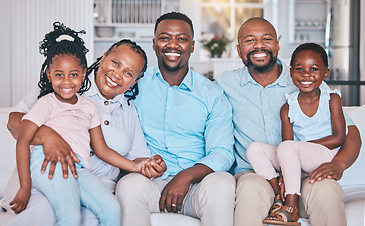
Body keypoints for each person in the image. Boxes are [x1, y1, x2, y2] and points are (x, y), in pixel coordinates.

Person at [1, 24, 166, 225]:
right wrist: (47, 135)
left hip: (96, 184)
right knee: (48, 210)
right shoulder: (67, 80)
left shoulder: (128, 111)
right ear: (103, 56)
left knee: (100, 215)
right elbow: (14, 122)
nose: (117, 74)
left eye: (128, 73)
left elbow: (128, 154)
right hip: (52, 170)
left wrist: (147, 165)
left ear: (134, 82)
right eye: (115, 63)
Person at [215, 17, 361, 226]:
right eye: (250, 40)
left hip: (306, 174)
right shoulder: (225, 84)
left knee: (328, 190)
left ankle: (291, 203)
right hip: (256, 175)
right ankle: (277, 199)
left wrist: (338, 163)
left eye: (266, 39)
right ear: (239, 50)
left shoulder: (305, 82)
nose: (259, 45)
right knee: (249, 190)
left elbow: (351, 133)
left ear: (277, 45)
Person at [116, 12, 236, 226]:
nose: (173, 45)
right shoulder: (133, 85)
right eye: (164, 38)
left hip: (196, 186)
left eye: (181, 38)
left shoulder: (212, 94)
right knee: (128, 185)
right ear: (154, 44)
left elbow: (223, 152)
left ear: (192, 46)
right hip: (149, 183)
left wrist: (185, 176)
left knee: (223, 182)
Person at [246, 43, 346, 225]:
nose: (306, 74)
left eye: (314, 69)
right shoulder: (288, 107)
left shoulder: (331, 100)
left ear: (325, 74)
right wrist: (289, 165)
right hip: (297, 157)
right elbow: (287, 145)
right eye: (299, 69)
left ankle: (291, 207)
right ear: (291, 73)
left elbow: (339, 138)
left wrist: (303, 149)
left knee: (288, 149)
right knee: (254, 149)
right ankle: (279, 194)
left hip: (325, 155)